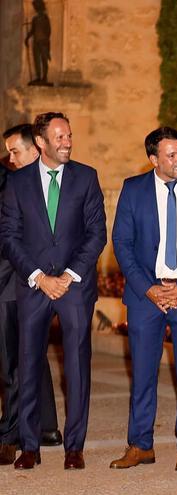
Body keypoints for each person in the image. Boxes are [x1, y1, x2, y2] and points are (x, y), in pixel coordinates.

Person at [0, 112, 107, 470]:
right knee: (28, 365)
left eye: (69, 136)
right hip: (32, 287)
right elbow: (9, 236)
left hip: (75, 287)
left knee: (77, 366)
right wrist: (38, 276)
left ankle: (74, 446)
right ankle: (29, 445)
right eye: (59, 137)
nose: (67, 142)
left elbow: (97, 233)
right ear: (41, 142)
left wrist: (70, 275)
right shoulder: (17, 184)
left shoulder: (86, 177)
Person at [109, 127, 177, 471]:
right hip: (145, 295)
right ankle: (140, 445)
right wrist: (148, 288)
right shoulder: (134, 189)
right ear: (153, 159)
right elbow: (122, 243)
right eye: (171, 155)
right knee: (143, 373)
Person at [0, 125, 64, 466]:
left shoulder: (15, 180)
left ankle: (12, 434)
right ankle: (46, 427)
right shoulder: (18, 178)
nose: (11, 158)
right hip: (24, 281)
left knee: (15, 361)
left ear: (35, 149)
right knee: (29, 354)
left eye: (15, 152)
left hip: (16, 282)